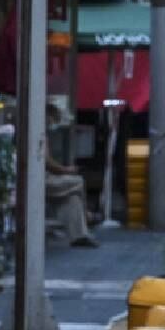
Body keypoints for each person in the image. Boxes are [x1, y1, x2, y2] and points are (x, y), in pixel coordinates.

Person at [44, 104, 97, 247]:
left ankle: (79, 236)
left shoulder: (44, 134)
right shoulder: (38, 133)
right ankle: (86, 214)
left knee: (73, 198)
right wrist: (67, 170)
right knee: (78, 182)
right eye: (54, 119)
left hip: (49, 179)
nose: (54, 123)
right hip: (42, 181)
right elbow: (48, 163)